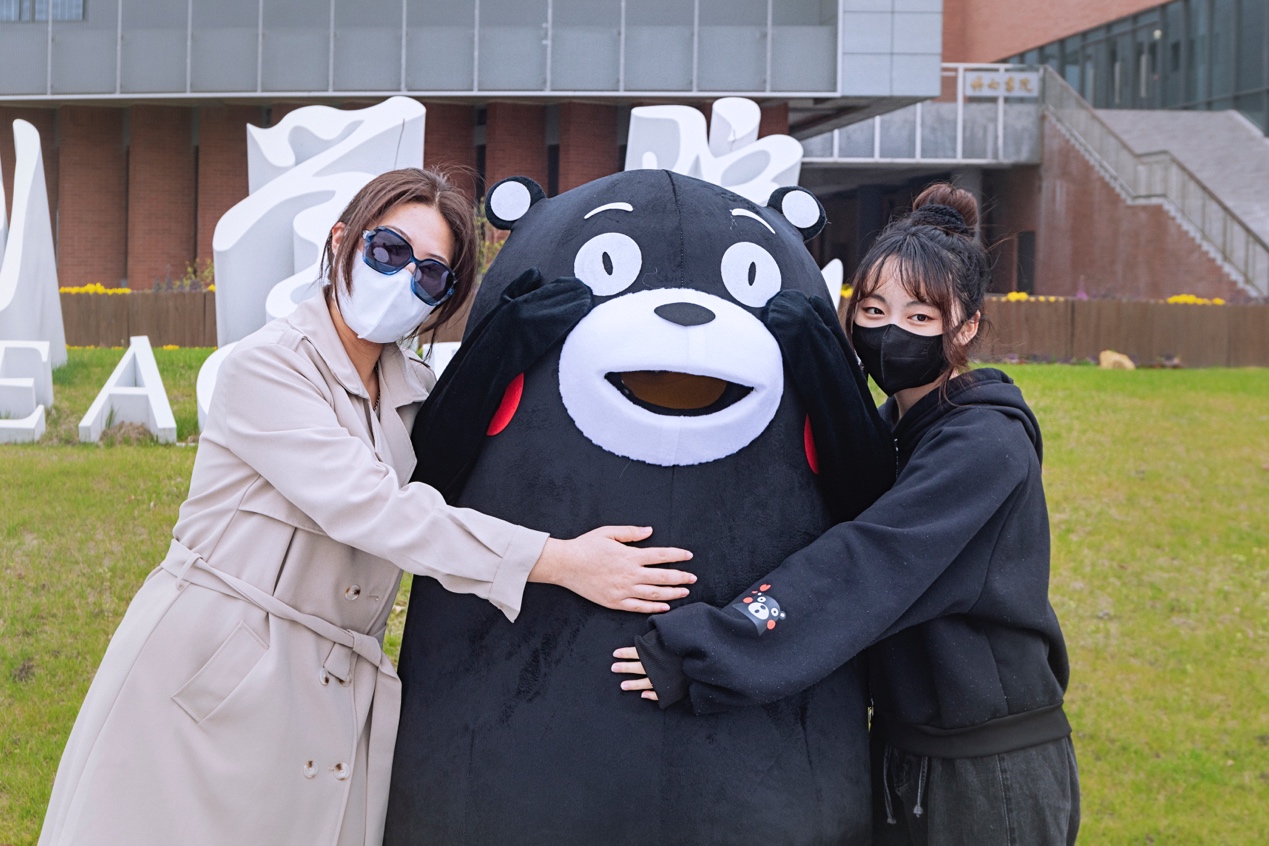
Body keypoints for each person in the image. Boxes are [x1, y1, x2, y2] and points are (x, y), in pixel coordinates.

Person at [39, 167, 695, 846]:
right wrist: (558, 561)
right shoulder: (267, 367)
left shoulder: (411, 386)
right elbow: (375, 508)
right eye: (388, 250)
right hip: (220, 660)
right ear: (341, 241)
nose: (404, 278)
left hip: (332, 680)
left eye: (431, 274)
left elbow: (449, 471)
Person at [613, 183, 1079, 846]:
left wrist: (712, 648)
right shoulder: (896, 430)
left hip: (984, 771)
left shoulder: (983, 445)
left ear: (966, 326)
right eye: (873, 309)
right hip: (903, 749)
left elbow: (868, 561)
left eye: (920, 316)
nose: (890, 331)